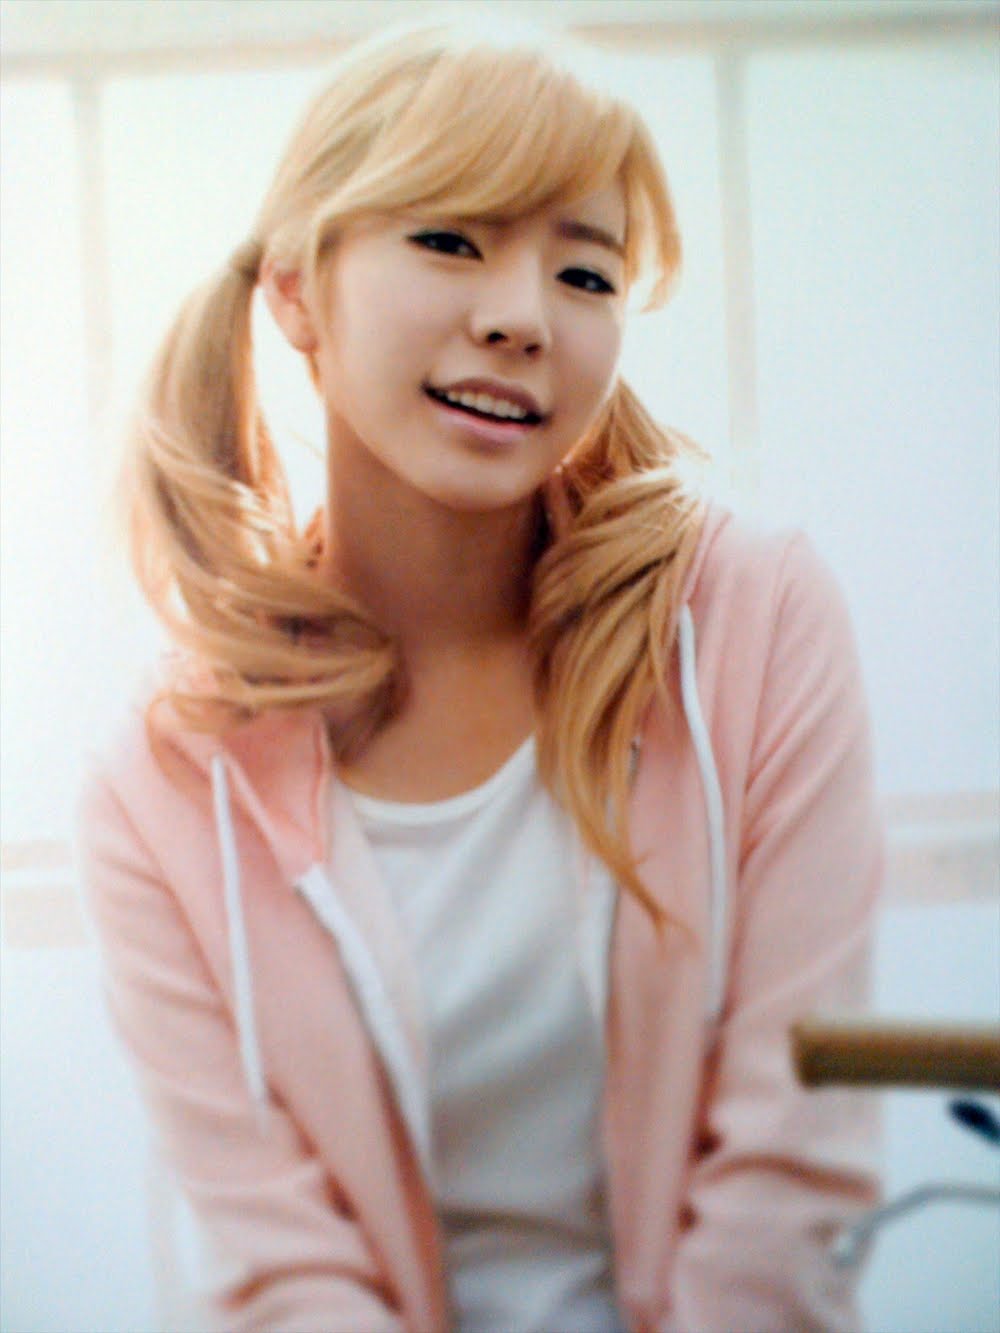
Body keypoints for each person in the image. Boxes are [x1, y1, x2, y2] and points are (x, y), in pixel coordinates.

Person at [77, 16, 883, 1333]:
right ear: (296, 289)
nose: (521, 318)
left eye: (586, 272)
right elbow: (286, 1272)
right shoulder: (161, 790)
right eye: (452, 240)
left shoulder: (752, 624)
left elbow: (788, 1173)